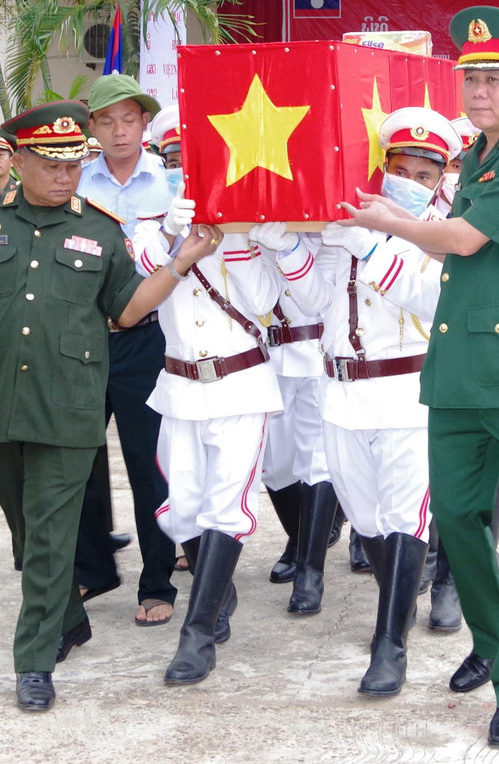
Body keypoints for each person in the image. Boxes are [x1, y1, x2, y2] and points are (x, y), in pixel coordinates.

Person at [0, 100, 219, 712]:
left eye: (72, 165)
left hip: (69, 408)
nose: (65, 177)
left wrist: (181, 261)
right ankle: (68, 617)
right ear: (22, 159)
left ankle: (33, 661)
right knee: (28, 529)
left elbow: (128, 309)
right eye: (52, 165)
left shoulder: (102, 229)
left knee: (52, 533)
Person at [340, 5, 499, 750]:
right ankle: (494, 636)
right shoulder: (475, 156)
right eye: (468, 77)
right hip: (460, 368)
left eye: (492, 78)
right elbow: (452, 252)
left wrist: (388, 221)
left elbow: (464, 237)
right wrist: (398, 220)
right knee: (458, 522)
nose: (477, 90)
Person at [256, 106, 460, 695]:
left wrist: (374, 249)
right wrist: (287, 251)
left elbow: (432, 300)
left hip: (406, 394)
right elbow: (320, 301)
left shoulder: (444, 230)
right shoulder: (351, 223)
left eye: (426, 174)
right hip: (340, 393)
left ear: (441, 178)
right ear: (383, 166)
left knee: (402, 520)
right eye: (402, 168)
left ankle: (388, 646)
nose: (412, 182)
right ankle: (396, 608)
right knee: (369, 522)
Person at [134, 213, 281, 686]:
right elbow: (141, 265)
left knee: (227, 508)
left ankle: (196, 635)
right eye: (175, 157)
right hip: (179, 388)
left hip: (241, 386)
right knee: (180, 512)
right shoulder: (153, 225)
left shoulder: (251, 228)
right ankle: (216, 593)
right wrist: (174, 233)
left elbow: (263, 300)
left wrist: (238, 233)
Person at [72, 73, 178, 629]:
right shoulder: (73, 182)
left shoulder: (169, 185)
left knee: (148, 464)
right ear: (93, 126)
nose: (119, 131)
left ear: (144, 124)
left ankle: (158, 579)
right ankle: (94, 567)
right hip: (84, 338)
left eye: (129, 119)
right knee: (79, 457)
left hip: (146, 340)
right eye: (107, 120)